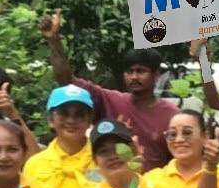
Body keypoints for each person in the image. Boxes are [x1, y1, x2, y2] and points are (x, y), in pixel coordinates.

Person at [42, 12, 180, 169]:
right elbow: (66, 80)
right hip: (108, 187)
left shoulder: (172, 115)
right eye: (129, 71)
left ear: (156, 75)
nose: (134, 77)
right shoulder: (109, 99)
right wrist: (54, 41)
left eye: (141, 71)